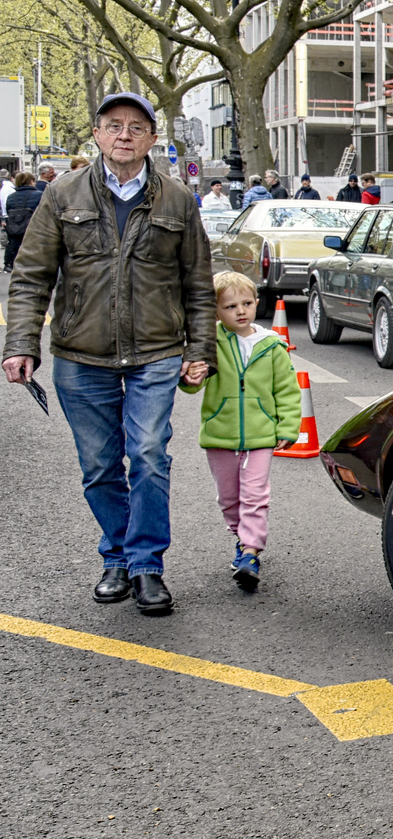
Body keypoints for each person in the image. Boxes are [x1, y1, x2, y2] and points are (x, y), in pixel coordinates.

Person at [4, 92, 215, 616]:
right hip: (80, 353)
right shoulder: (61, 194)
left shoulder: (178, 200)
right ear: (96, 134)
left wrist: (201, 348)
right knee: (99, 466)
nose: (124, 135)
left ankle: (146, 566)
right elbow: (31, 276)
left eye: (136, 127)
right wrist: (20, 344)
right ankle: (116, 556)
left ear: (151, 138)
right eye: (114, 125)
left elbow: (198, 284)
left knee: (147, 455)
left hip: (156, 352)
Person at [182, 272, 298, 592]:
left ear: (257, 303)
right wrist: (190, 376)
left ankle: (250, 552)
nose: (240, 311)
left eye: (246, 303)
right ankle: (241, 537)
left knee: (256, 494)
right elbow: (194, 385)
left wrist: (288, 426)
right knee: (229, 498)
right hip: (220, 434)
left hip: (262, 435)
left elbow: (287, 390)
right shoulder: (209, 344)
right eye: (230, 306)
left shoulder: (272, 346)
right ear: (216, 311)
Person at [5, 171, 39, 271]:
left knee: (13, 244)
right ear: (31, 181)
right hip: (32, 227)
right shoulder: (39, 194)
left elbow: (8, 209)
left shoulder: (11, 197)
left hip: (15, 227)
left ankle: (9, 264)